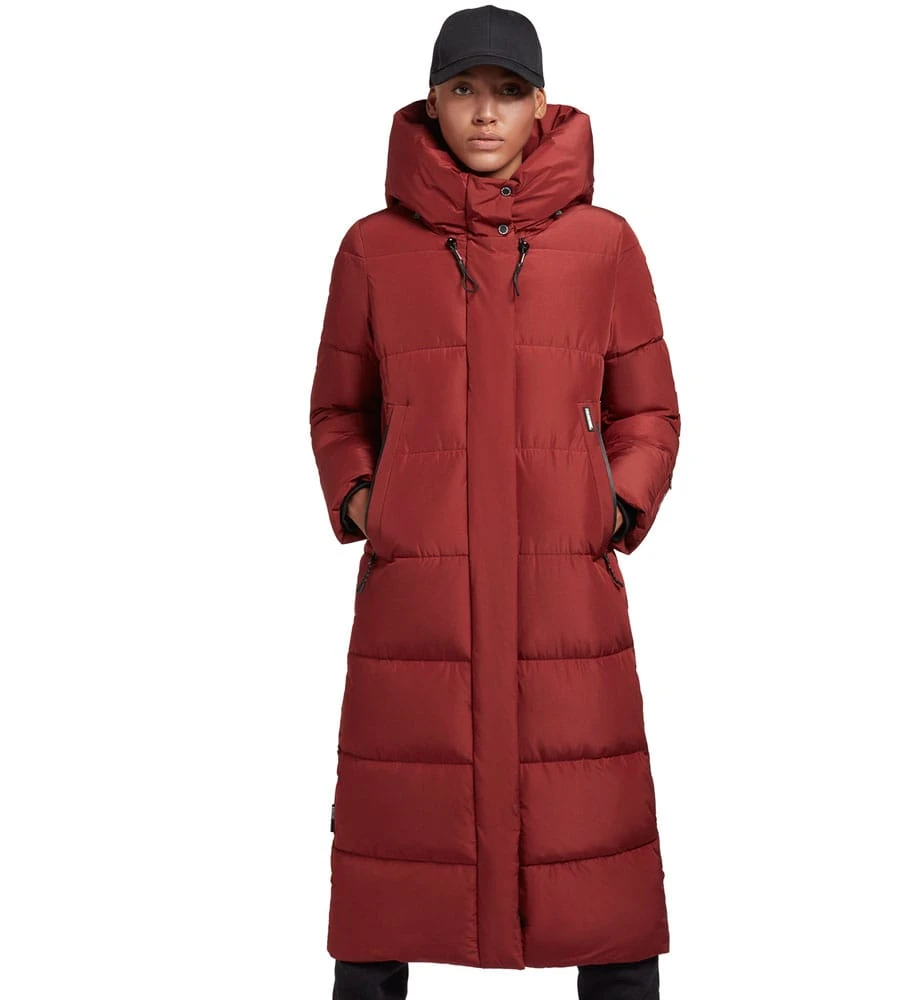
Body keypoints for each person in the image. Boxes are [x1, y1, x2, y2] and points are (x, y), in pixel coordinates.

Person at [309, 5, 681, 998]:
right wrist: (367, 502)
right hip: (417, 597)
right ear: (430, 104)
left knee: (594, 848)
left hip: (566, 597)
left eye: (508, 92)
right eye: (464, 90)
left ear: (541, 106)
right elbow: (339, 408)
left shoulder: (605, 244)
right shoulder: (371, 248)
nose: (485, 113)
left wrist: (612, 508)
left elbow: (648, 409)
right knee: (393, 850)